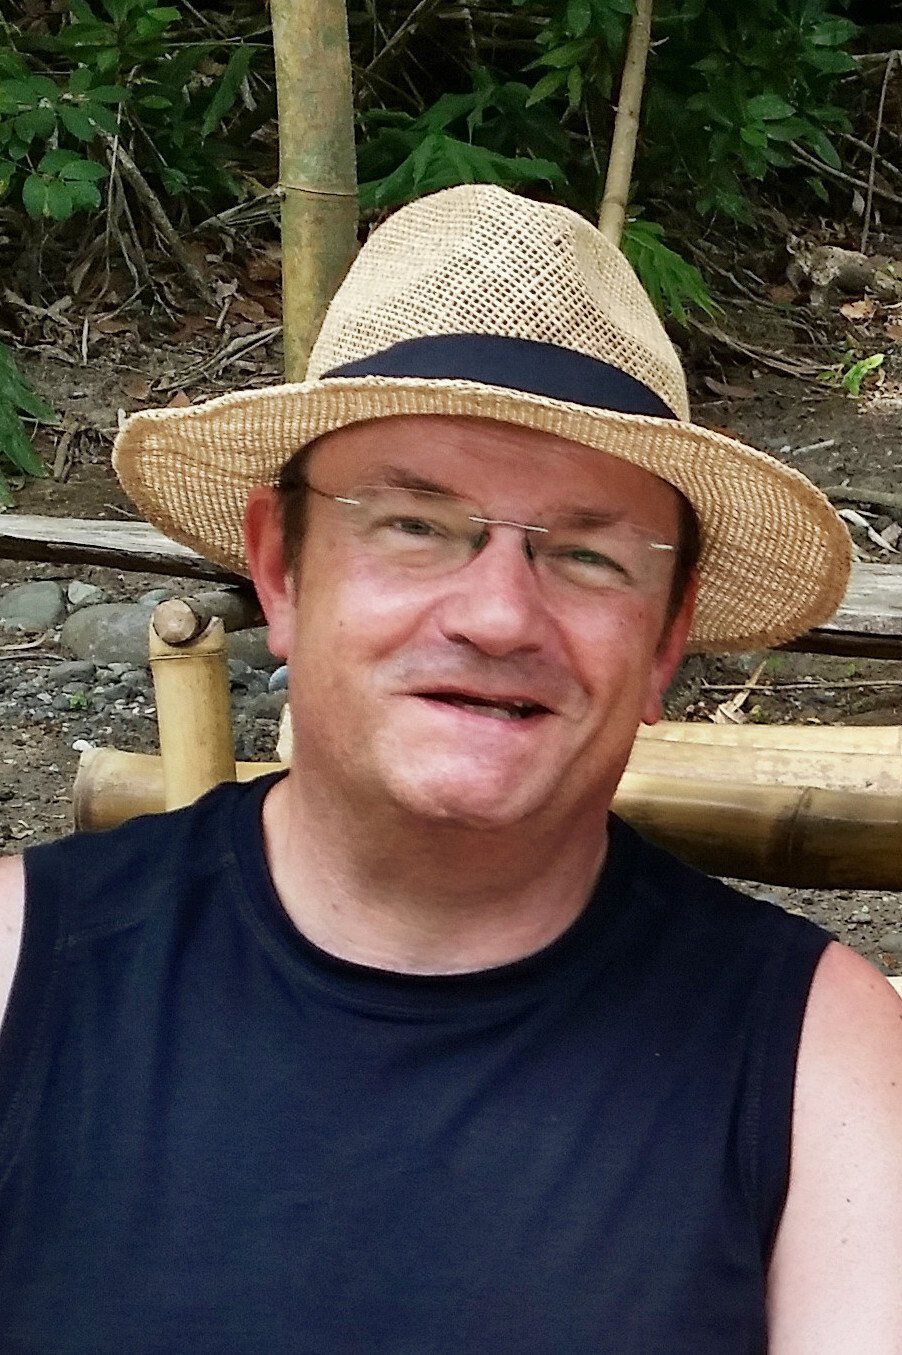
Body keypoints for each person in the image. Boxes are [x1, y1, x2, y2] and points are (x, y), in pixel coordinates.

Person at [0, 185, 899, 1354]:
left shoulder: (822, 1064)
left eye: (589, 554)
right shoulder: (21, 965)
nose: (496, 614)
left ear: (666, 635)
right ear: (281, 569)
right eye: (414, 524)